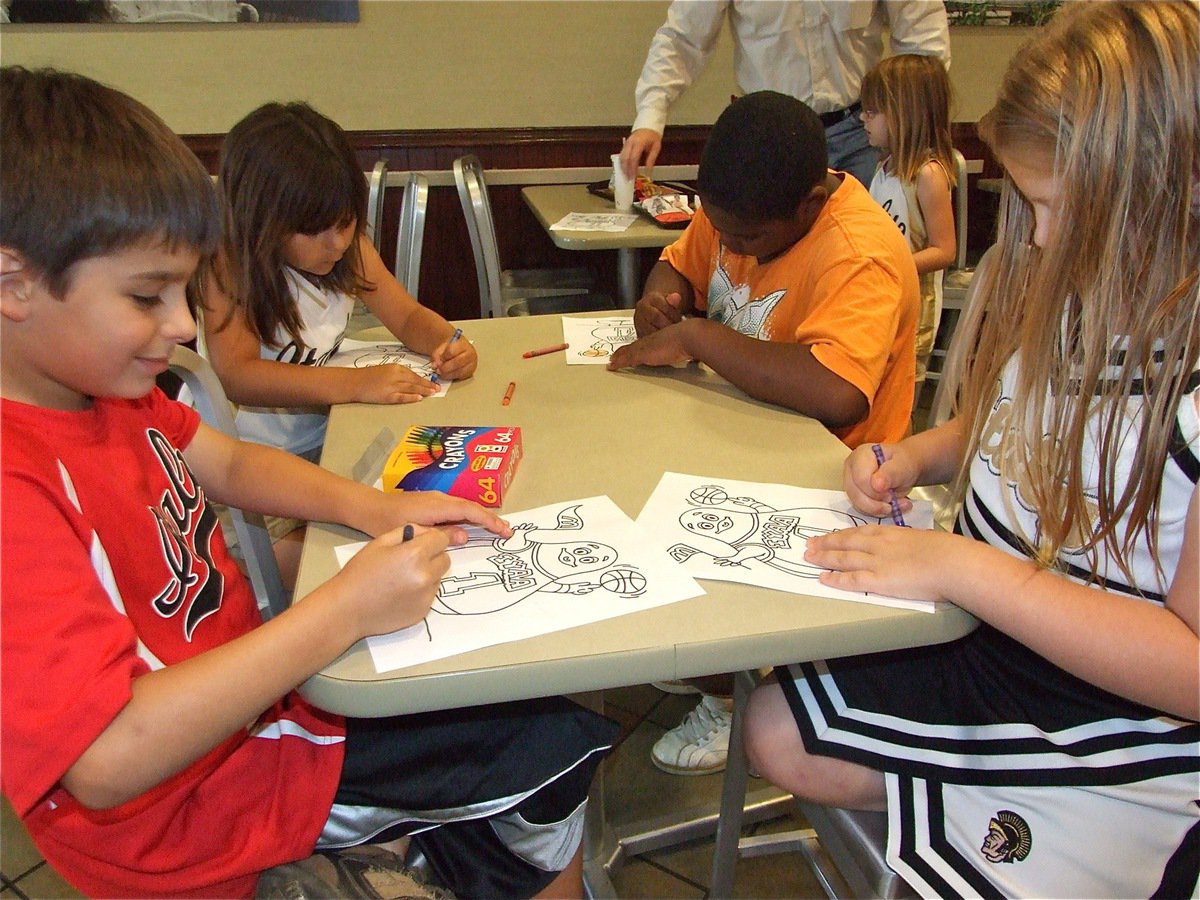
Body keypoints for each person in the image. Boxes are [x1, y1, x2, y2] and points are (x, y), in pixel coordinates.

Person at [0, 66, 617, 900]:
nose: (182, 327)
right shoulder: (17, 484)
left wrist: (379, 506)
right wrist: (345, 608)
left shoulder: (115, 393)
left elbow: (227, 462)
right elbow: (105, 762)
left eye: (182, 293)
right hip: (193, 807)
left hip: (248, 710)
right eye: (148, 297)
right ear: (14, 283)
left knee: (520, 721)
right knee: (547, 751)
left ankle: (427, 858)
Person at [741, 3, 1200, 896]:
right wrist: (914, 458)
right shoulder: (1085, 283)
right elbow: (1008, 421)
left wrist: (962, 569)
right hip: (991, 636)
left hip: (1108, 720)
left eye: (1052, 207)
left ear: (1161, 192)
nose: (1035, 237)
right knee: (772, 720)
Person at [609, 90, 919, 775]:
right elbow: (679, 262)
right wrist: (662, 302)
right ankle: (706, 659)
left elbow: (837, 394)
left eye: (746, 240)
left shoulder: (859, 253)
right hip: (737, 433)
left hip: (829, 478)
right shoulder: (737, 210)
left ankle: (732, 689)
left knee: (690, 533)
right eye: (721, 232)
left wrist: (701, 337)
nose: (730, 246)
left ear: (810, 204)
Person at [200, 101, 478, 586]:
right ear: (262, 221)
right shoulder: (228, 267)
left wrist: (450, 341)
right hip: (245, 483)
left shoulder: (348, 250)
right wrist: (353, 384)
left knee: (429, 520)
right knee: (357, 565)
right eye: (315, 230)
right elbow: (238, 374)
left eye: (346, 222)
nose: (336, 243)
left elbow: (407, 315)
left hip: (331, 446)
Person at [618, 0, 950, 190]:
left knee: (865, 262)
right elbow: (683, 39)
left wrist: (920, 125)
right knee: (774, 266)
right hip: (770, 138)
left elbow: (922, 37)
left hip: (860, 134)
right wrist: (650, 117)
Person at [861, 53, 957, 385]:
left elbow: (945, 250)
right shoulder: (883, 171)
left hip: (914, 311)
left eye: (873, 112)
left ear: (904, 115)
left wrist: (896, 265)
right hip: (880, 302)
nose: (863, 118)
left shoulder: (928, 175)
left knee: (903, 398)